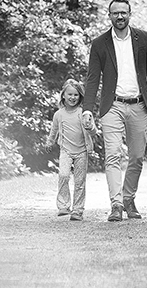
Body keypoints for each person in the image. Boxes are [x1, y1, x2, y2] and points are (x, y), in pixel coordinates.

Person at [82, 0, 147, 222]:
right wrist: (87, 108)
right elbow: (92, 79)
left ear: (130, 14)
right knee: (112, 155)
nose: (120, 16)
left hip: (138, 105)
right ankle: (116, 204)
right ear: (109, 16)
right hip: (113, 106)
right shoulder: (100, 44)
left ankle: (128, 198)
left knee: (137, 157)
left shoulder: (143, 39)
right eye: (115, 13)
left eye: (123, 12)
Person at [46, 79, 96, 221]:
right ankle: (63, 205)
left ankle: (78, 210)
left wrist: (90, 127)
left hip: (82, 152)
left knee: (80, 181)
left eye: (76, 95)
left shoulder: (83, 113)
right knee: (63, 175)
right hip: (65, 150)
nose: (73, 97)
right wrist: (50, 142)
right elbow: (54, 130)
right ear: (63, 95)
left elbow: (93, 131)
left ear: (80, 97)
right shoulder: (59, 114)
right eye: (70, 94)